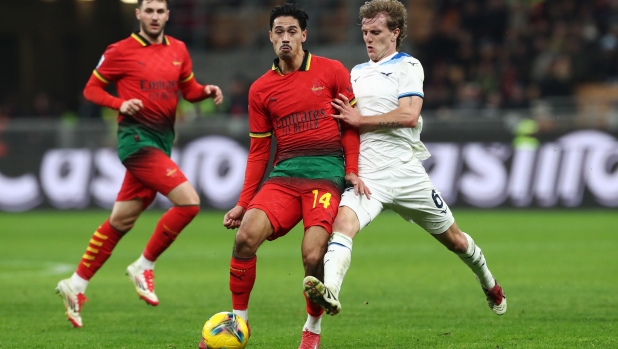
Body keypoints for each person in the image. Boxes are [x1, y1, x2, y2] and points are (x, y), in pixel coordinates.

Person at [303, 0, 507, 318]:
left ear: (395, 33)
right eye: (365, 32)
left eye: (376, 32)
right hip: (369, 177)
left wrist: (361, 120)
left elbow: (410, 115)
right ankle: (331, 291)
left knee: (455, 241)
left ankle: (489, 283)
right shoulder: (354, 73)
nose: (368, 38)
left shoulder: (408, 66)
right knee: (342, 225)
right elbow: (345, 120)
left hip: (406, 173)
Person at [199, 4, 368, 349]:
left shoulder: (332, 71)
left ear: (304, 35)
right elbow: (259, 150)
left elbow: (351, 126)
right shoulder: (261, 89)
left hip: (325, 172)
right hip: (286, 173)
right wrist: (243, 202)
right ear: (271, 37)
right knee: (245, 237)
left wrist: (351, 169)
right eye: (279, 32)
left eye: (292, 31)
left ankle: (312, 329)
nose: (285, 38)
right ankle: (238, 324)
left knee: (311, 255)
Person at [55, 0, 223, 328]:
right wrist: (120, 103)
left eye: (161, 11)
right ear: (139, 14)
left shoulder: (179, 49)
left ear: (168, 15)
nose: (155, 17)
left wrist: (206, 91)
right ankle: (144, 265)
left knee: (121, 220)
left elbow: (188, 89)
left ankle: (76, 284)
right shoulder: (120, 51)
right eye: (149, 11)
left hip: (162, 142)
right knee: (189, 203)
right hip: (135, 141)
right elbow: (91, 90)